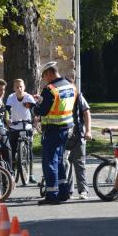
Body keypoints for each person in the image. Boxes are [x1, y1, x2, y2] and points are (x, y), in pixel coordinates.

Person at [33, 62, 78, 205]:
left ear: (50, 73)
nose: (44, 79)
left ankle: (52, 194)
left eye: (44, 76)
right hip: (66, 128)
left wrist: (34, 105)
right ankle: (64, 192)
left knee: (50, 162)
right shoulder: (71, 86)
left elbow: (42, 111)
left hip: (53, 129)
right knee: (59, 161)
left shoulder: (50, 89)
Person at [6, 79, 37, 182]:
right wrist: (7, 119)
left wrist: (35, 120)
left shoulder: (28, 97)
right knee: (12, 150)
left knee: (29, 150)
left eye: (21, 87)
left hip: (26, 126)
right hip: (14, 126)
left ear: (24, 87)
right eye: (17, 87)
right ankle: (12, 173)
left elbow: (34, 109)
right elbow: (7, 110)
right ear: (14, 88)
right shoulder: (11, 97)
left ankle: (31, 174)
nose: (19, 89)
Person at [66, 89, 93, 199]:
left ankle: (83, 190)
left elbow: (86, 113)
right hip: (65, 135)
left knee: (79, 163)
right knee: (65, 163)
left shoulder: (79, 97)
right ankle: (67, 190)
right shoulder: (61, 96)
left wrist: (88, 131)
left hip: (78, 134)